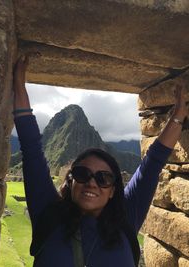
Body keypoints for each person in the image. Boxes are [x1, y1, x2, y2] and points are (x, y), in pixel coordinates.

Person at [13, 55, 187, 267]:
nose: (92, 183)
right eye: (82, 174)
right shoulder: (48, 213)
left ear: (113, 189)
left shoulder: (127, 217)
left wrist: (179, 115)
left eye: (103, 178)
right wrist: (18, 84)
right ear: (71, 180)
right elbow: (31, 149)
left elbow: (153, 163)